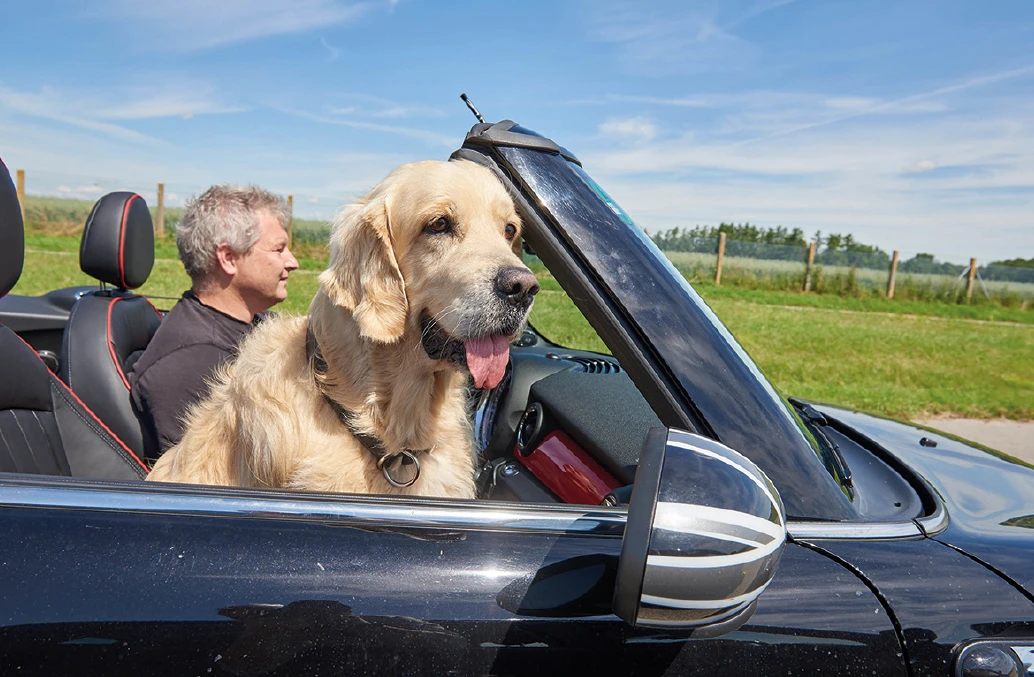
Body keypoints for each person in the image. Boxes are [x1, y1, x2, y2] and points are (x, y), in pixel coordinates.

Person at [130, 184, 299, 461]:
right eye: (278, 249)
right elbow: (204, 484)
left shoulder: (256, 324)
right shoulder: (190, 363)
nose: (292, 262)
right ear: (228, 258)